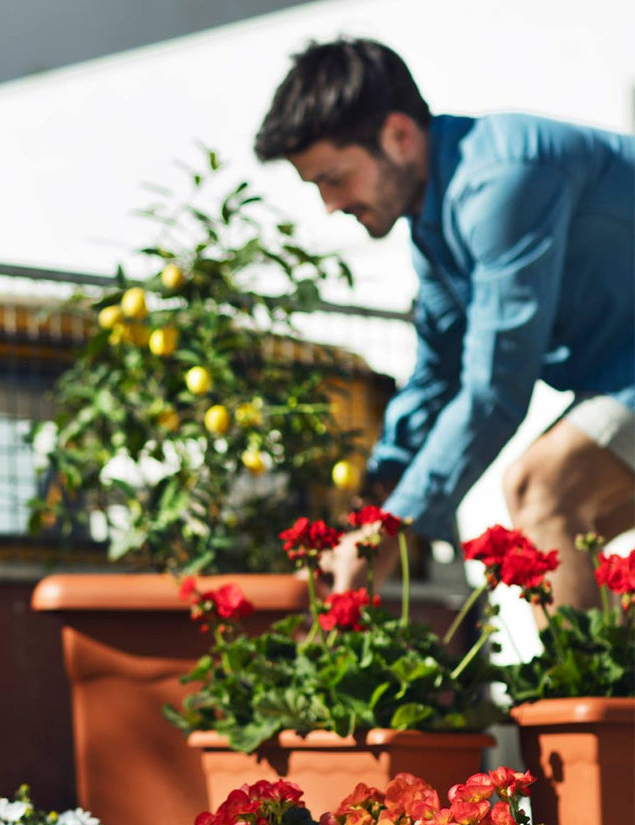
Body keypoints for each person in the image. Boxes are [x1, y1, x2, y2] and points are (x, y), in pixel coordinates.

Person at [254, 38, 635, 614]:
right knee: (573, 535)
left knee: (544, 491)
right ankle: (608, 696)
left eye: (334, 179)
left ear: (399, 136)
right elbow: (439, 373)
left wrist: (395, 527)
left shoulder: (502, 182)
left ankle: (575, 702)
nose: (329, 205)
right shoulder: (435, 229)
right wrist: (378, 499)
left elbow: (494, 389)